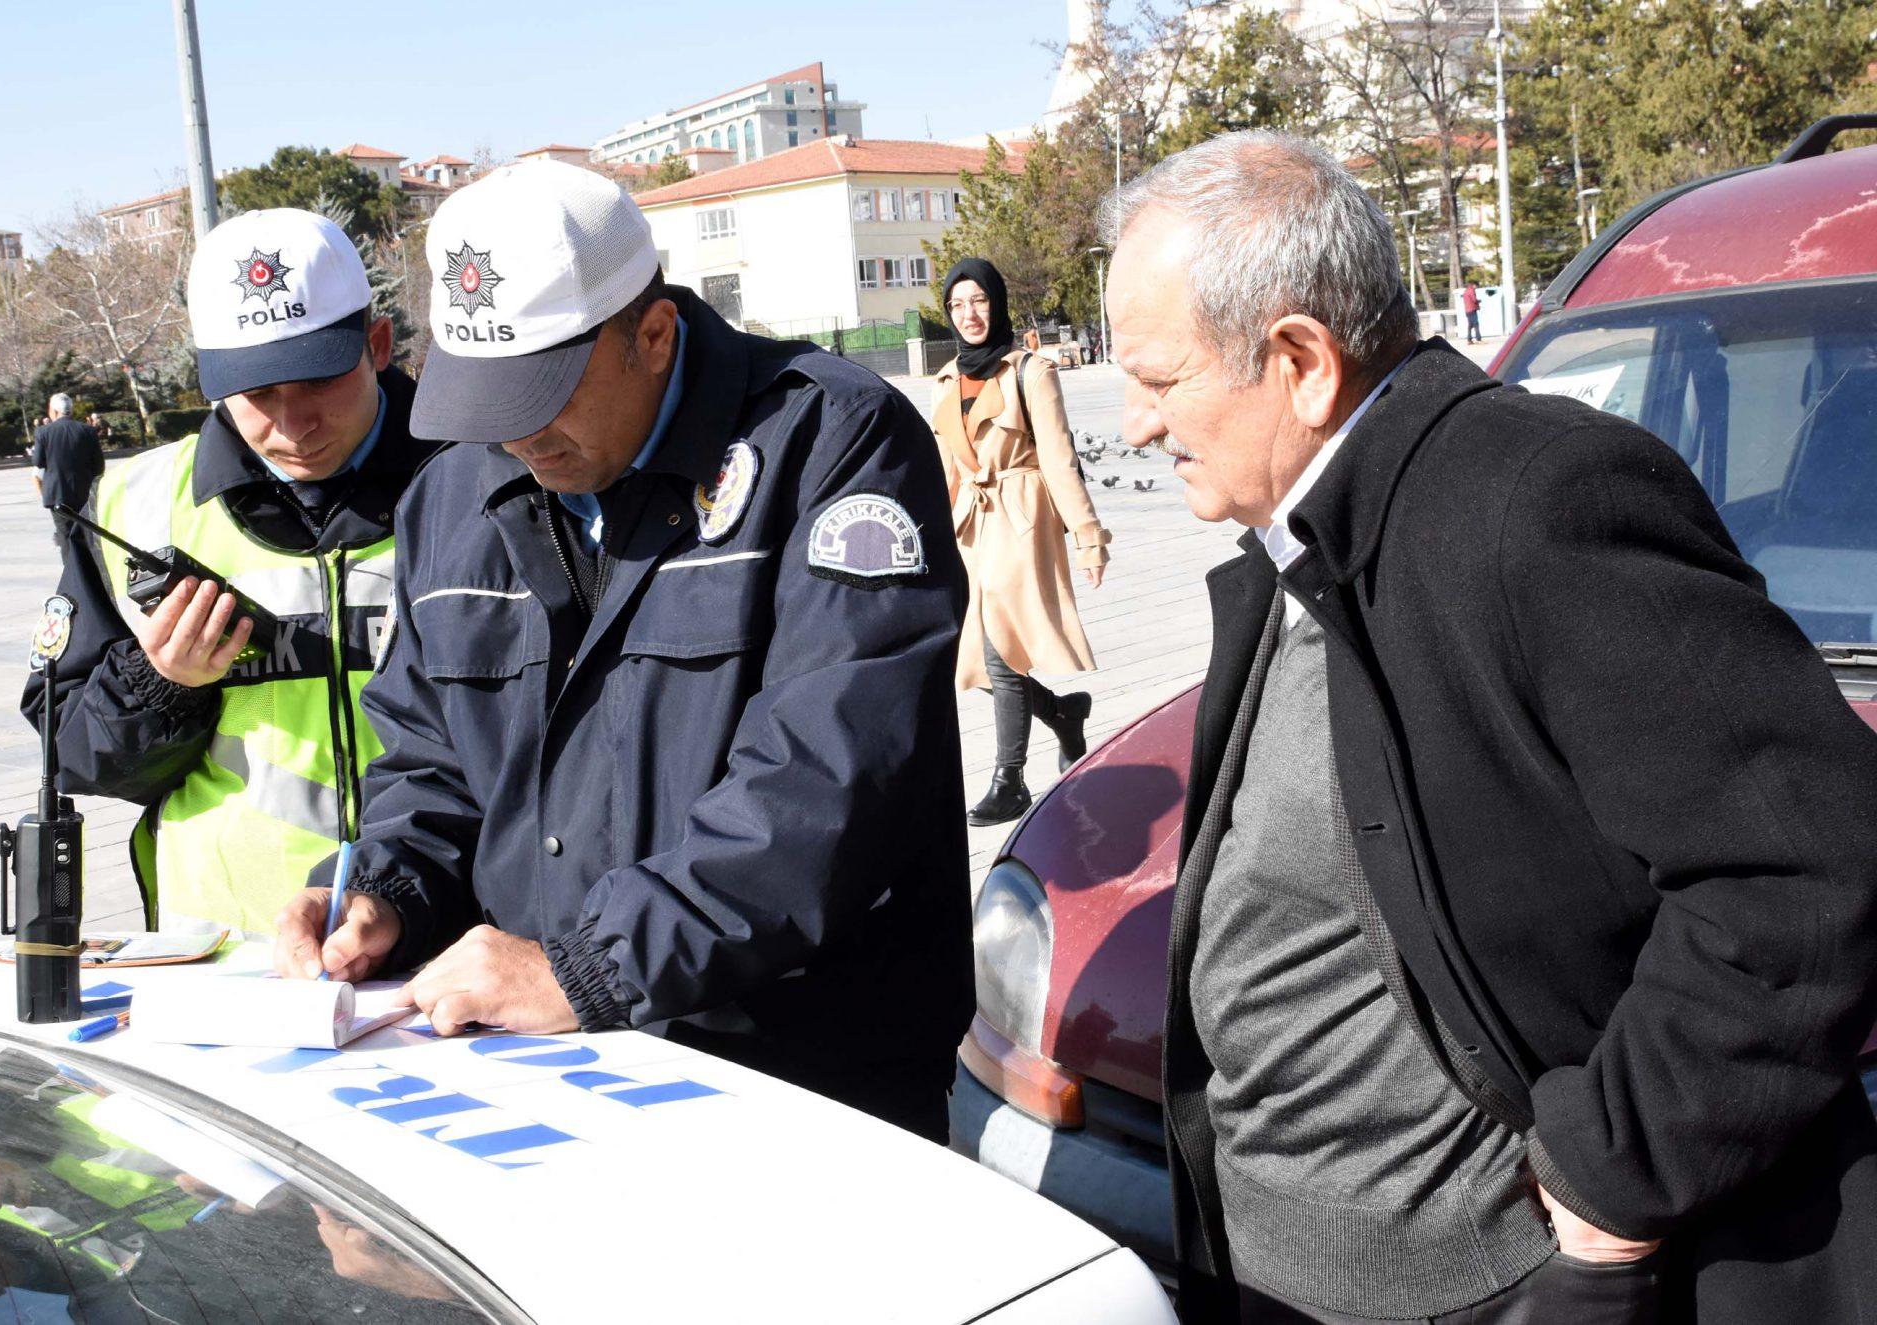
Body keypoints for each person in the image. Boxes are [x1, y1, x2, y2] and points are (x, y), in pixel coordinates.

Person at [1103, 131, 1877, 1323]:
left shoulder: (1532, 503)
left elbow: (1805, 866)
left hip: (1487, 1292)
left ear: (1300, 359)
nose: (1139, 426)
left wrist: (1610, 1177)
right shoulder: (1302, 532)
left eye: (1157, 381)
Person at [270, 160, 973, 1141]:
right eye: (487, 400)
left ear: (651, 333)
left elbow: (826, 780)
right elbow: (431, 759)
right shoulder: (453, 494)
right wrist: (384, 890)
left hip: (793, 1077)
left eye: (540, 391)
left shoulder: (828, 442)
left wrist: (590, 963)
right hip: (539, 1073)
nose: (515, 436)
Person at [22, 208, 437, 934]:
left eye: (317, 379)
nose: (293, 421)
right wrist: (158, 686)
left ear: (377, 344)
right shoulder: (133, 507)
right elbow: (74, 754)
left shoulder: (477, 480)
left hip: (446, 936)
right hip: (224, 951)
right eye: (257, 392)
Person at [931, 258, 1107, 825]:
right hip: (973, 526)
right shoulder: (947, 380)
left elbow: (1059, 459)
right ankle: (1060, 713)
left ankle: (1010, 780)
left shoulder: (1031, 371)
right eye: (957, 305)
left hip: (1021, 517)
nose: (969, 313)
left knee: (999, 653)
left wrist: (1087, 536)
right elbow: (948, 470)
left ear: (997, 301)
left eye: (978, 300)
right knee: (969, 659)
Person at [30, 395, 103, 545]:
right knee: (89, 534)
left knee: (66, 536)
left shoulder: (43, 432)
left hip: (58, 493)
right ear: (71, 410)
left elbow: (38, 462)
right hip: (85, 491)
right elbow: (99, 466)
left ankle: (71, 567)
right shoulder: (87, 430)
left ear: (55, 411)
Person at [1461, 279, 1482, 343]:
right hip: (1472, 309)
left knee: (1470, 325)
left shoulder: (1466, 291)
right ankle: (1478, 339)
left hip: (1467, 310)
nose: (1476, 288)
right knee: (1476, 324)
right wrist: (1479, 301)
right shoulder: (1471, 290)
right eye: (1476, 286)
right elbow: (1474, 300)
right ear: (1474, 285)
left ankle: (1469, 339)